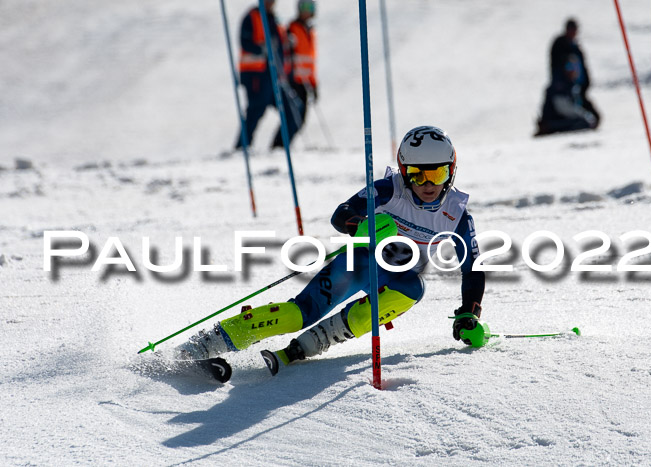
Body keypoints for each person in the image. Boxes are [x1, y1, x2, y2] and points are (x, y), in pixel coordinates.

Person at [178, 126, 486, 375]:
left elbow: (472, 267)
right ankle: (208, 342)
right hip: (359, 264)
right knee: (301, 312)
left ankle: (318, 340)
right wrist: (360, 225)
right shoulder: (388, 190)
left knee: (414, 288)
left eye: (437, 174)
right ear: (405, 171)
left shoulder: (457, 214)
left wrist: (469, 314)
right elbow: (341, 214)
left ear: (452, 171)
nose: (427, 184)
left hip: (397, 280)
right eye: (418, 174)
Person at [235, 0, 295, 149]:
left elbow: (280, 45)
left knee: (291, 108)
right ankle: (242, 147)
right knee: (256, 109)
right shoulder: (252, 16)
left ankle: (278, 147)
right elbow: (245, 41)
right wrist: (262, 49)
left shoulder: (274, 18)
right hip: (255, 74)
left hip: (273, 75)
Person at [272, 0, 318, 149]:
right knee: (292, 115)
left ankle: (283, 146)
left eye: (309, 8)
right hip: (293, 80)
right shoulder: (292, 28)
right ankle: (278, 146)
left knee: (301, 118)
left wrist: (313, 84)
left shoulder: (310, 31)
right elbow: (285, 51)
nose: (306, 11)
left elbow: (309, 61)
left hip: (305, 81)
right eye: (304, 7)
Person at [535, 54, 599, 136]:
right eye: (569, 67)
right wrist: (585, 116)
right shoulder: (558, 86)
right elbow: (564, 108)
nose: (572, 71)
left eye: (575, 67)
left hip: (565, 119)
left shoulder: (572, 85)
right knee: (583, 123)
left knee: (585, 123)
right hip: (554, 120)